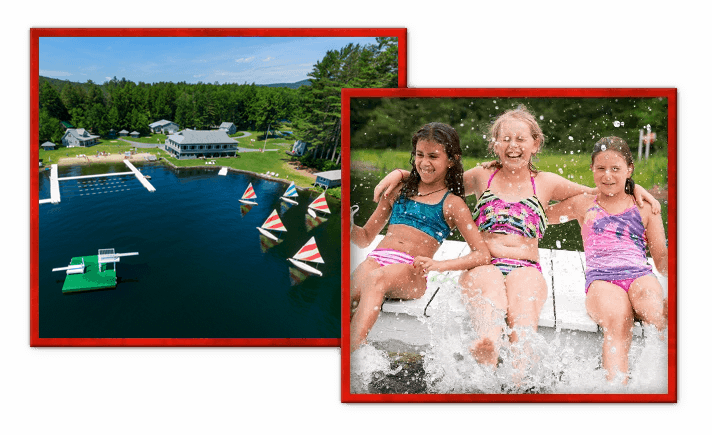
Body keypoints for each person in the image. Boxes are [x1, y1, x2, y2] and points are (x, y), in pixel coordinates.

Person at [373, 107, 660, 367]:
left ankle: (520, 375)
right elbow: (433, 176)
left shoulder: (547, 182)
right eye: (505, 139)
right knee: (491, 290)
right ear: (494, 144)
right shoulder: (481, 176)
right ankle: (488, 344)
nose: (513, 145)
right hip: (483, 263)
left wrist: (635, 188)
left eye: (521, 139)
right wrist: (401, 172)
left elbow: (601, 187)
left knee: (524, 311)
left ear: (535, 144)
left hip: (526, 266)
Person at [350, 122, 491, 352]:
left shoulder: (453, 204)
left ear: (452, 160)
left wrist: (438, 265)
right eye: (419, 155)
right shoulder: (398, 189)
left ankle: (355, 350)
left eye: (434, 156)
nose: (424, 163)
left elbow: (482, 254)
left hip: (412, 271)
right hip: (377, 259)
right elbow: (365, 237)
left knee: (375, 279)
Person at [546, 136, 667, 383]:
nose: (607, 176)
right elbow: (538, 214)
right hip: (602, 281)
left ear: (629, 170)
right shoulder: (583, 203)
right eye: (600, 168)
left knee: (657, 313)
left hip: (639, 276)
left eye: (616, 169)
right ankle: (617, 391)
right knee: (618, 322)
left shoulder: (644, 207)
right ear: (591, 168)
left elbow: (661, 259)